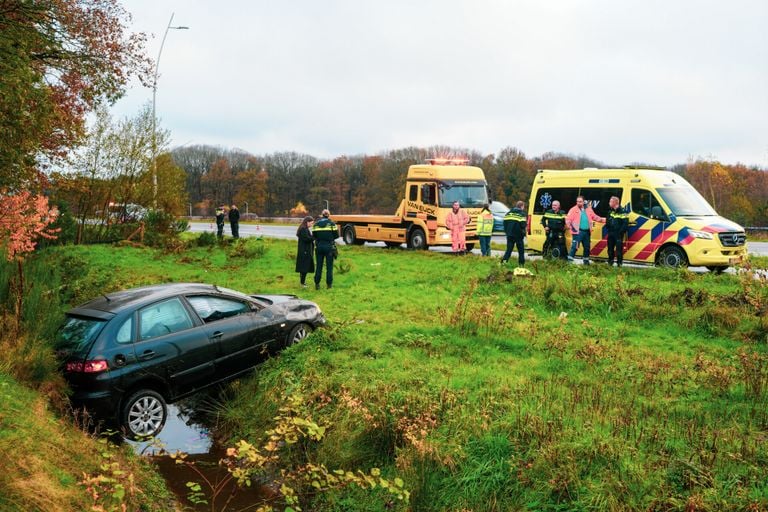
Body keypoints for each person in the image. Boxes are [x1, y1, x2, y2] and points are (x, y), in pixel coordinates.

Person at [566, 196, 605, 265]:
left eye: (580, 201)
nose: (578, 203)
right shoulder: (573, 209)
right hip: (577, 232)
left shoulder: (588, 209)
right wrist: (571, 228)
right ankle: (569, 262)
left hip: (587, 232)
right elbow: (568, 220)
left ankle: (586, 262)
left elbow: (595, 217)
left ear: (584, 201)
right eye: (577, 201)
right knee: (575, 247)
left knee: (587, 247)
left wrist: (604, 220)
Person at [311, 209, 339, 289]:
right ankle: (329, 285)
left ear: (322, 215)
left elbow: (314, 235)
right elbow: (336, 236)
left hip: (319, 247)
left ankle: (317, 284)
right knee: (329, 267)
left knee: (319, 266)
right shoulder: (332, 224)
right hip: (329, 247)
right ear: (328, 215)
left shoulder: (315, 225)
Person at [606, 196, 629, 267]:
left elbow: (625, 223)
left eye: (610, 201)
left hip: (618, 234)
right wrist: (609, 229)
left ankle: (619, 264)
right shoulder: (610, 211)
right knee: (610, 249)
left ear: (615, 202)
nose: (609, 203)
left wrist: (620, 232)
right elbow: (607, 221)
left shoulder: (623, 211)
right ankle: (610, 262)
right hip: (611, 233)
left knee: (619, 250)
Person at [501, 201, 527, 266]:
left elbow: (504, 224)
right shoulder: (521, 214)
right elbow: (523, 225)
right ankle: (521, 265)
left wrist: (507, 232)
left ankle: (503, 263)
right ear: (522, 206)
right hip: (518, 236)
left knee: (508, 250)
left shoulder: (508, 213)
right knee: (521, 251)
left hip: (509, 235)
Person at [295, 216, 315, 287]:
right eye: (311, 223)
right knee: (304, 267)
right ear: (307, 222)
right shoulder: (303, 229)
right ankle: (302, 283)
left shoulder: (304, 228)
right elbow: (307, 239)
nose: (311, 225)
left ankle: (302, 282)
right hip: (305, 251)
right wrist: (314, 237)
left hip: (304, 250)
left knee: (303, 267)